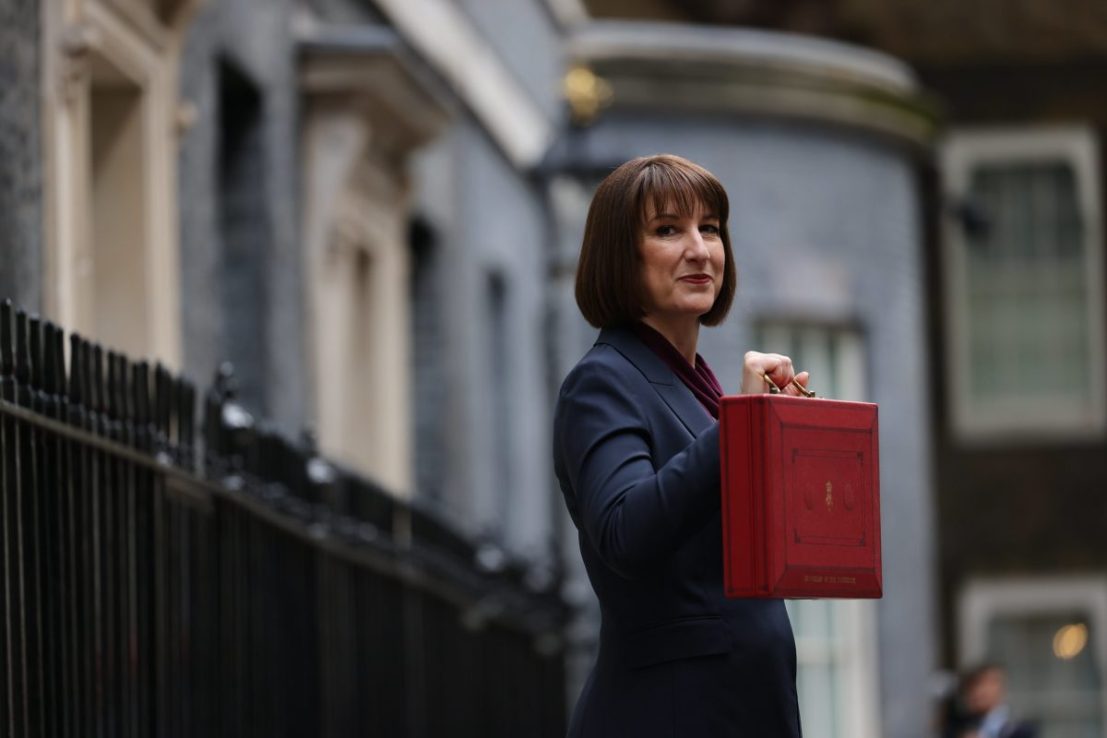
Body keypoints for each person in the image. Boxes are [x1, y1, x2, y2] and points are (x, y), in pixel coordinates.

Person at [553, 154, 811, 737]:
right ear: (622, 256)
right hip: (670, 713)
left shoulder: (696, 387)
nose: (699, 249)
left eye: (710, 229)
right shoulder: (603, 381)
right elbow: (625, 528)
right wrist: (741, 426)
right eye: (668, 229)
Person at [943, 664, 1037, 738]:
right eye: (974, 686)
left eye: (988, 684)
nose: (979, 691)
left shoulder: (1020, 727)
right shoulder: (957, 725)